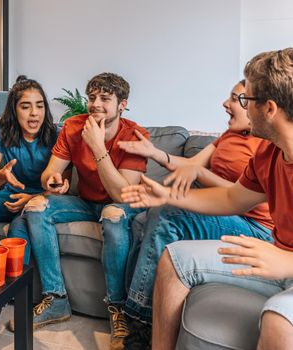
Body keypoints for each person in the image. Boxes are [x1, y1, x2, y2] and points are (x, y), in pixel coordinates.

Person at [121, 48, 293, 350]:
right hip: (273, 259)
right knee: (175, 259)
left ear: (269, 108)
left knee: (278, 322)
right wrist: (169, 194)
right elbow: (231, 197)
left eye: (246, 100)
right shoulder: (269, 154)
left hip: (285, 263)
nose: (239, 105)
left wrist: (289, 262)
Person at [23, 72, 149, 350]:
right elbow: (50, 173)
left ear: (122, 104)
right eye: (92, 98)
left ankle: (118, 309)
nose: (96, 104)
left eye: (105, 99)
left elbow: (122, 193)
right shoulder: (73, 127)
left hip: (121, 205)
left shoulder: (136, 136)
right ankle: (56, 299)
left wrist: (96, 144)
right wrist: (52, 181)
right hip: (84, 202)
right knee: (36, 206)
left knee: (113, 215)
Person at [0, 75, 58, 349]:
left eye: (39, 106)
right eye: (26, 106)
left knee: (19, 229)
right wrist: (3, 177)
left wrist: (33, 196)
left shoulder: (56, 135)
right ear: (14, 110)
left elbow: (63, 188)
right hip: (9, 193)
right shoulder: (0, 132)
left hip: (38, 200)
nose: (34, 113)